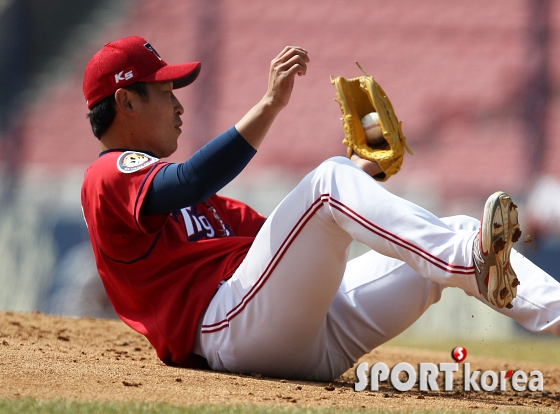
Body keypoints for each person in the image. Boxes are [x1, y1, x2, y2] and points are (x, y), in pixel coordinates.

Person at [81, 36, 560, 381]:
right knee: (332, 181)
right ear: (126, 101)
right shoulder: (108, 176)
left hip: (294, 330)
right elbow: (188, 180)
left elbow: (294, 243)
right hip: (229, 331)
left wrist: (361, 171)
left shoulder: (193, 205)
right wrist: (270, 104)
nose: (179, 106)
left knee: (452, 224)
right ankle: (467, 260)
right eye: (166, 93)